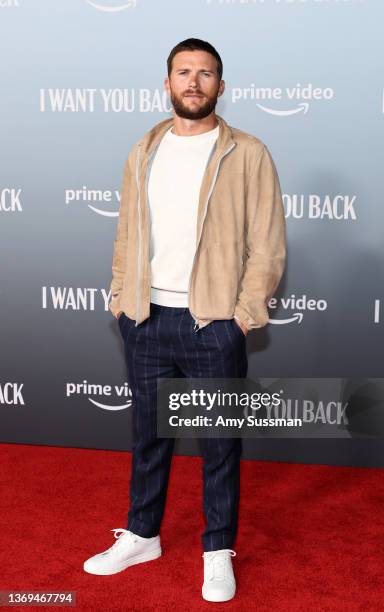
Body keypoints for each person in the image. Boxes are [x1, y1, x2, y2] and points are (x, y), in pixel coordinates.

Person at [83, 37, 286, 603]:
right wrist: (121, 302)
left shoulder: (247, 152)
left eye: (205, 73)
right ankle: (143, 534)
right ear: (167, 83)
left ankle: (217, 550)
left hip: (212, 326)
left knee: (219, 443)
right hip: (146, 320)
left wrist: (240, 318)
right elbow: (127, 231)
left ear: (222, 86)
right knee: (149, 436)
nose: (193, 82)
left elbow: (266, 245)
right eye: (183, 72)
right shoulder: (144, 149)